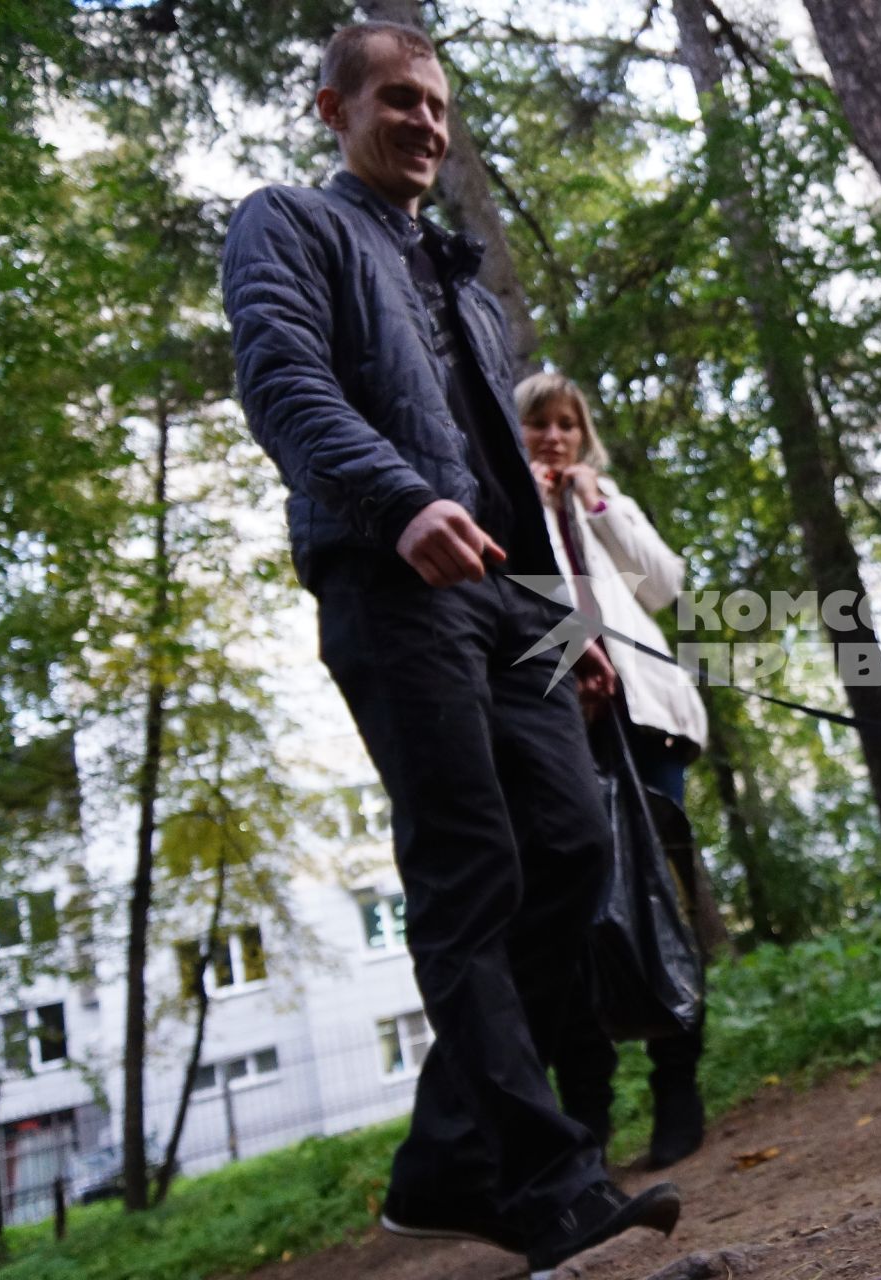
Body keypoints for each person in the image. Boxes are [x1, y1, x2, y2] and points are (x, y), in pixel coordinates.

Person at [220, 21, 678, 1277]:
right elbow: (280, 376)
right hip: (389, 574)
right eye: (397, 100)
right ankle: (540, 1178)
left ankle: (440, 1164)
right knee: (468, 859)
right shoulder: (289, 226)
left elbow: (507, 481)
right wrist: (393, 499)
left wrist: (565, 623)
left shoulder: (468, 293)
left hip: (505, 600)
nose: (424, 122)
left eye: (436, 104)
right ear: (334, 110)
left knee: (571, 846)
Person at [515, 372, 711, 1170]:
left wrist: (598, 504)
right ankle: (586, 1111)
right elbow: (517, 602)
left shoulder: (603, 500)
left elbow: (663, 586)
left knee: (663, 905)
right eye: (538, 425)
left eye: (567, 426)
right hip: (552, 726)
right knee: (569, 920)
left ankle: (677, 1088)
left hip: (649, 721)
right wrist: (524, 501)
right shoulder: (499, 497)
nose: (555, 438)